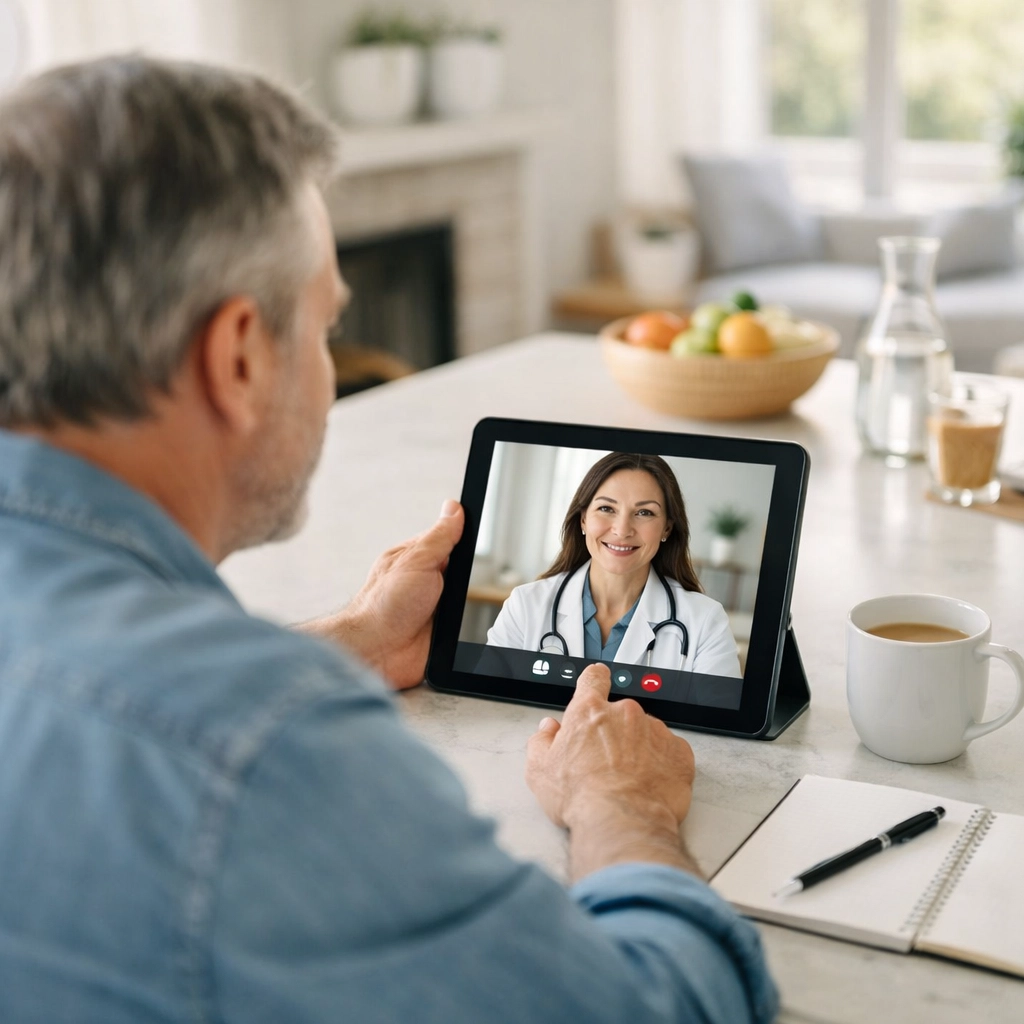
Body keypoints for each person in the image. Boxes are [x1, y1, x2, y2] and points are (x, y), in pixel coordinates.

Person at [0, 56, 776, 1023]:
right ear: (238, 358)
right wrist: (624, 806)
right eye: (325, 329)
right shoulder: (266, 746)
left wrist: (355, 640)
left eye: (646, 512)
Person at [488, 452, 743, 676]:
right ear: (583, 519)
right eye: (606, 508)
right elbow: (486, 706)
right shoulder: (525, 605)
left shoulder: (705, 622)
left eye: (644, 512)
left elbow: (718, 718)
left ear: (667, 528)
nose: (622, 530)